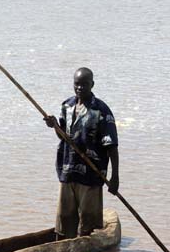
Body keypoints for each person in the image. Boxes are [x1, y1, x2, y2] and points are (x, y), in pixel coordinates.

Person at [44, 67, 119, 239]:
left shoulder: (101, 111)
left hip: (91, 175)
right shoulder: (67, 106)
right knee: (64, 220)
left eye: (84, 85)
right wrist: (55, 125)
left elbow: (112, 146)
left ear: (92, 84)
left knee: (87, 225)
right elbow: (63, 136)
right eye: (76, 84)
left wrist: (115, 178)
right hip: (68, 170)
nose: (79, 88)